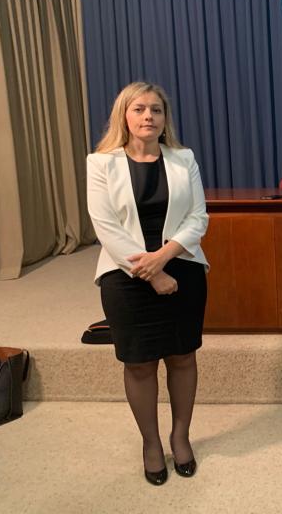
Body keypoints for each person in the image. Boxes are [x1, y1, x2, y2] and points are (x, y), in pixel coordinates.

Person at [87, 82, 209, 485]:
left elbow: (198, 219)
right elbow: (105, 227)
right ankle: (151, 443)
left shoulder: (183, 158)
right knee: (139, 364)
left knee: (182, 357)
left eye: (156, 110)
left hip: (183, 268)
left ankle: (180, 436)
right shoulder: (100, 163)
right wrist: (152, 272)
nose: (148, 117)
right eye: (139, 109)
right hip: (125, 277)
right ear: (124, 114)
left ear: (164, 118)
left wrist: (164, 257)